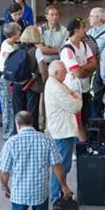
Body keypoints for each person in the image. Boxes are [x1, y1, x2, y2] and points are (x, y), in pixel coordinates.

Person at [0, 111, 72, 210]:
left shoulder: (11, 142)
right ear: (32, 122)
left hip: (19, 193)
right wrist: (64, 186)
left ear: (17, 124)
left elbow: (4, 171)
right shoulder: (46, 140)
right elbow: (57, 167)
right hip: (41, 192)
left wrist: (5, 186)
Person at [43, 60, 82, 202]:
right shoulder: (56, 88)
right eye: (64, 71)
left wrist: (74, 95)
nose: (66, 73)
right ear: (56, 73)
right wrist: (77, 96)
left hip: (63, 131)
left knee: (63, 165)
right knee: (61, 166)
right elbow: (75, 106)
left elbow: (71, 95)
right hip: (62, 133)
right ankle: (55, 195)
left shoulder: (56, 83)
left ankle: (59, 191)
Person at [59, 18, 96, 127]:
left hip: (85, 89)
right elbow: (77, 73)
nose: (85, 31)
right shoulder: (67, 50)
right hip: (74, 91)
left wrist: (83, 69)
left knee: (85, 121)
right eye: (83, 28)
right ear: (76, 30)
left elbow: (94, 64)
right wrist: (86, 69)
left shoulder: (84, 45)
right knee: (77, 124)